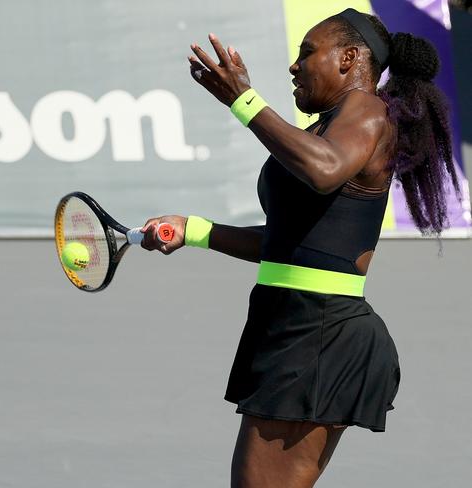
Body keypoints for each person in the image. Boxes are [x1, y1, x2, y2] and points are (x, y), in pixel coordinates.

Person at [140, 8, 462, 488]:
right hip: (296, 324)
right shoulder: (327, 128)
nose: (294, 66)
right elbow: (288, 242)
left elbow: (324, 167)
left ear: (349, 58)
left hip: (320, 333)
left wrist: (245, 101)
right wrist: (195, 230)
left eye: (307, 53)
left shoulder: (368, 112)